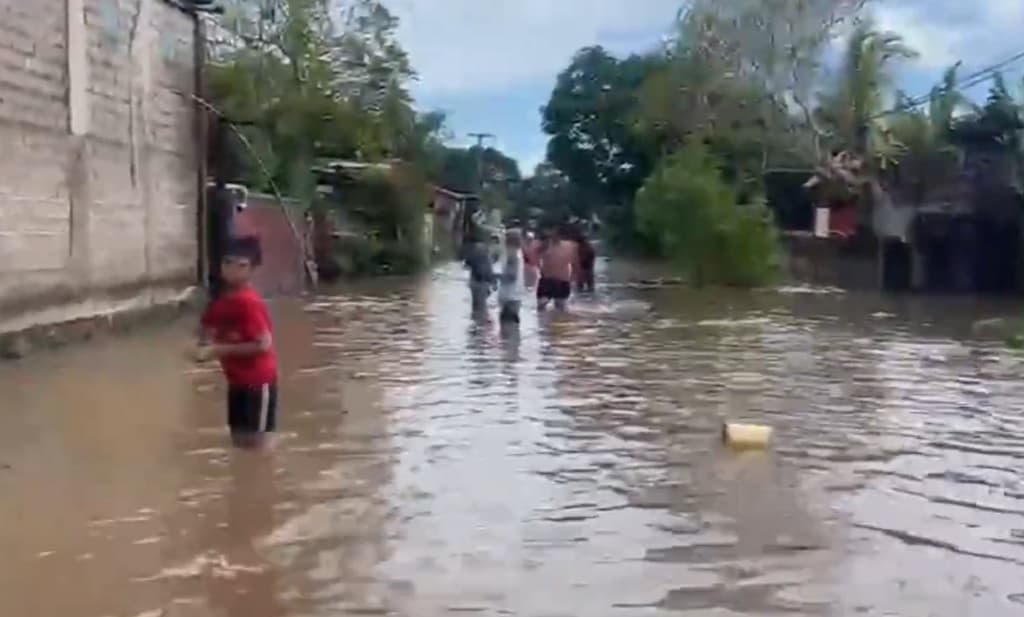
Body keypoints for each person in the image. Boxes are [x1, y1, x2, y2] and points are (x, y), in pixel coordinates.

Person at [195, 236, 278, 450]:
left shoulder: (248, 302)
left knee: (257, 445)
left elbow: (263, 344)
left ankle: (261, 480)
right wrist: (198, 347)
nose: (233, 269)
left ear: (252, 270)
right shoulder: (221, 300)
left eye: (241, 265)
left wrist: (217, 350)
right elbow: (206, 328)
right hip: (237, 381)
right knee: (238, 441)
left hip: (258, 382)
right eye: (228, 263)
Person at [537, 226, 578, 311]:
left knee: (560, 307)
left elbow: (575, 263)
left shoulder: (570, 246)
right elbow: (533, 255)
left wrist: (574, 276)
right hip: (548, 280)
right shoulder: (546, 245)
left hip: (561, 281)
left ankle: (558, 321)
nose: (554, 235)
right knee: (542, 305)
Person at [463, 230, 496, 312]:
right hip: (484, 282)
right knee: (481, 307)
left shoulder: (474, 249)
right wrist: (493, 281)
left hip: (477, 281)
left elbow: (467, 264)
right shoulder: (484, 248)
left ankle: (478, 322)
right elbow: (489, 266)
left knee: (477, 308)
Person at [498, 229, 526, 324]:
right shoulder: (517, 253)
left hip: (510, 297)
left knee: (508, 328)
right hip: (513, 296)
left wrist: (493, 276)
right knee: (510, 330)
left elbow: (511, 276)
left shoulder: (513, 255)